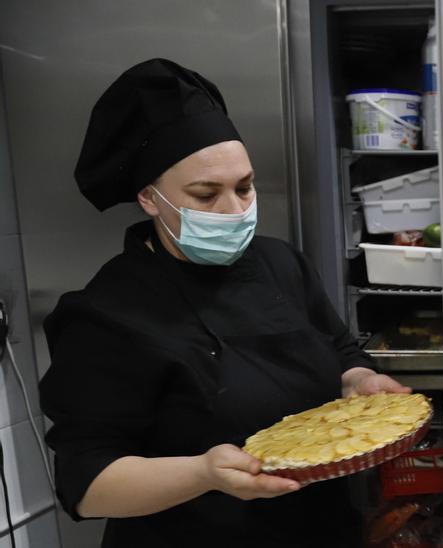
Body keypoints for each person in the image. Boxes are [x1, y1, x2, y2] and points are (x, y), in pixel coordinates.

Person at [38, 58, 409, 547]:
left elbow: (338, 351)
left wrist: (360, 380)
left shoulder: (279, 264)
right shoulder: (107, 312)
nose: (235, 211)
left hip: (320, 530)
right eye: (205, 194)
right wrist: (203, 473)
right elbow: (86, 483)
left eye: (244, 187)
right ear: (150, 198)